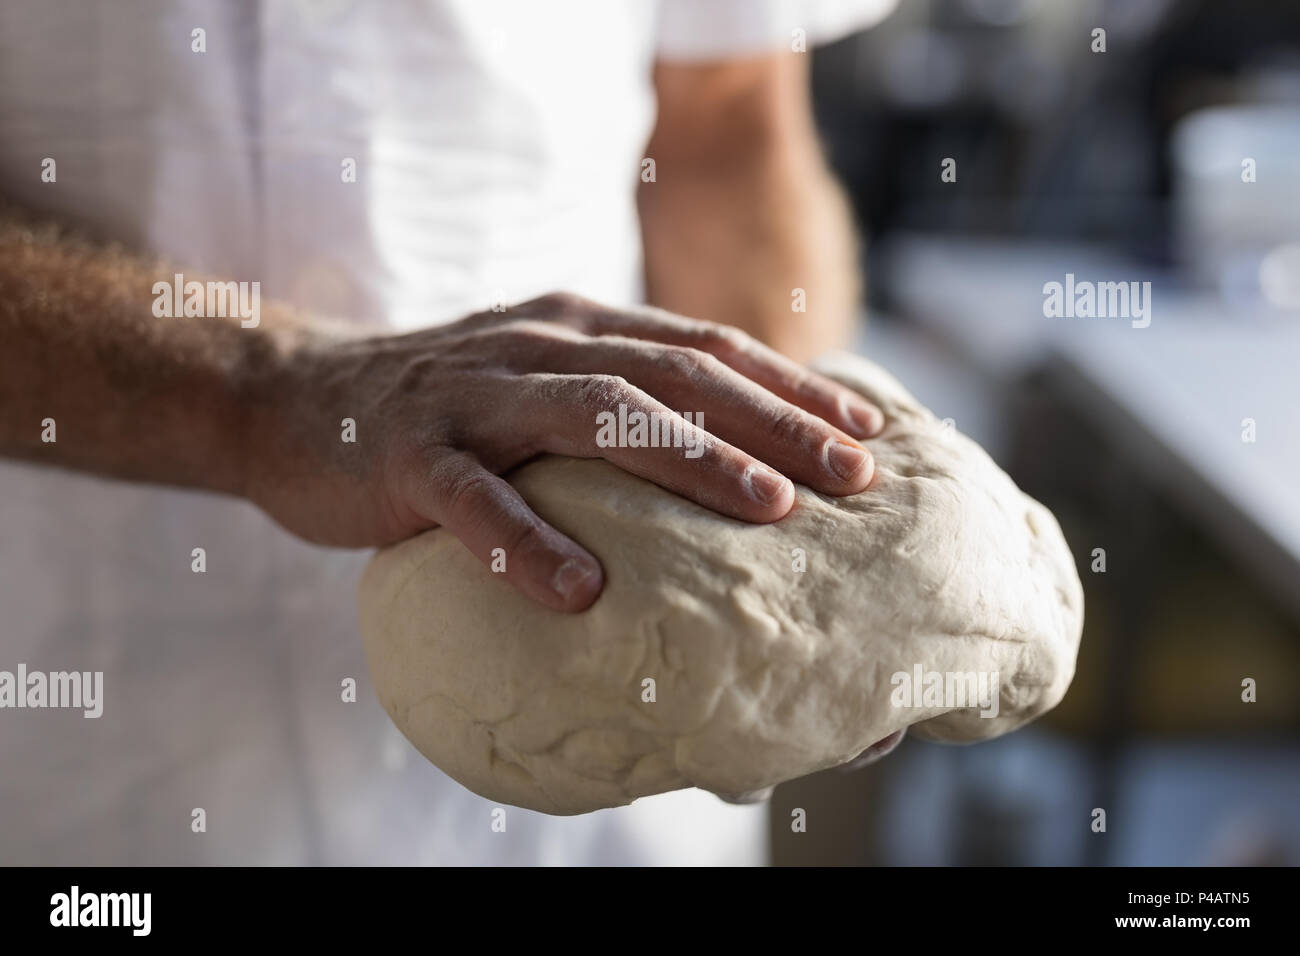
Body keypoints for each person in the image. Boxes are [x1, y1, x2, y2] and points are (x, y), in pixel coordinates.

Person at [0, 0, 898, 865]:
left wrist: (794, 548)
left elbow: (723, 130)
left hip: (618, 760)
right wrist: (260, 397)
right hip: (89, 735)